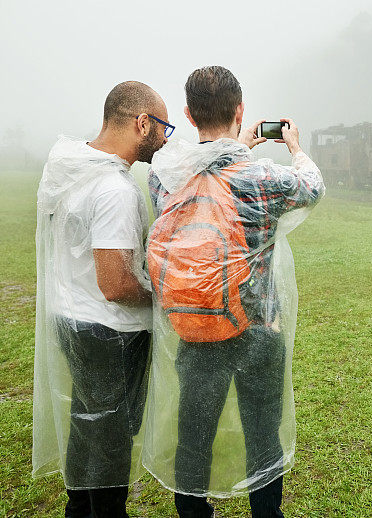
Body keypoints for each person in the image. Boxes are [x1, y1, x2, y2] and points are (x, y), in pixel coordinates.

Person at [142, 66, 324, 518]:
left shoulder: (165, 177)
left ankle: (193, 513)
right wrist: (296, 147)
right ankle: (266, 513)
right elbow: (312, 187)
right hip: (259, 327)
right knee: (264, 431)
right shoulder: (263, 177)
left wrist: (230, 148)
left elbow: (203, 178)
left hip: (196, 325)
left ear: (187, 114)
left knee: (194, 433)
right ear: (240, 111)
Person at [32, 81, 172, 517]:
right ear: (141, 122)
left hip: (70, 314)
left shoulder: (72, 166)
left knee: (87, 421)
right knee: (111, 433)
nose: (167, 139)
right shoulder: (114, 189)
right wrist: (162, 299)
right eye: (163, 127)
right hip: (108, 330)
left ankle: (79, 506)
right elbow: (116, 284)